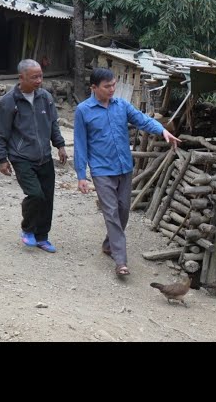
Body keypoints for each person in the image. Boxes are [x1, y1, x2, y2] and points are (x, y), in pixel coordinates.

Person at [74, 68, 181, 277]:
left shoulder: (121, 105)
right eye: (107, 86)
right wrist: (81, 176)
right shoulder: (83, 110)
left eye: (114, 84)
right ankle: (120, 261)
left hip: (124, 167)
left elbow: (142, 119)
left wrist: (163, 130)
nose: (112, 89)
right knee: (111, 212)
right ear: (94, 88)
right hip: (101, 170)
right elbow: (80, 144)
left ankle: (109, 244)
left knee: (123, 211)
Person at [0, 59, 68, 253]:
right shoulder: (8, 102)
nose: (39, 80)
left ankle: (42, 237)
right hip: (21, 157)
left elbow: (53, 124)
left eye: (41, 76)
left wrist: (59, 145)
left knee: (47, 198)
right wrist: (2, 159)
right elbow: (1, 133)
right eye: (34, 77)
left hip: (44, 156)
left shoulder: (46, 97)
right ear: (21, 77)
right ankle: (28, 230)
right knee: (35, 194)